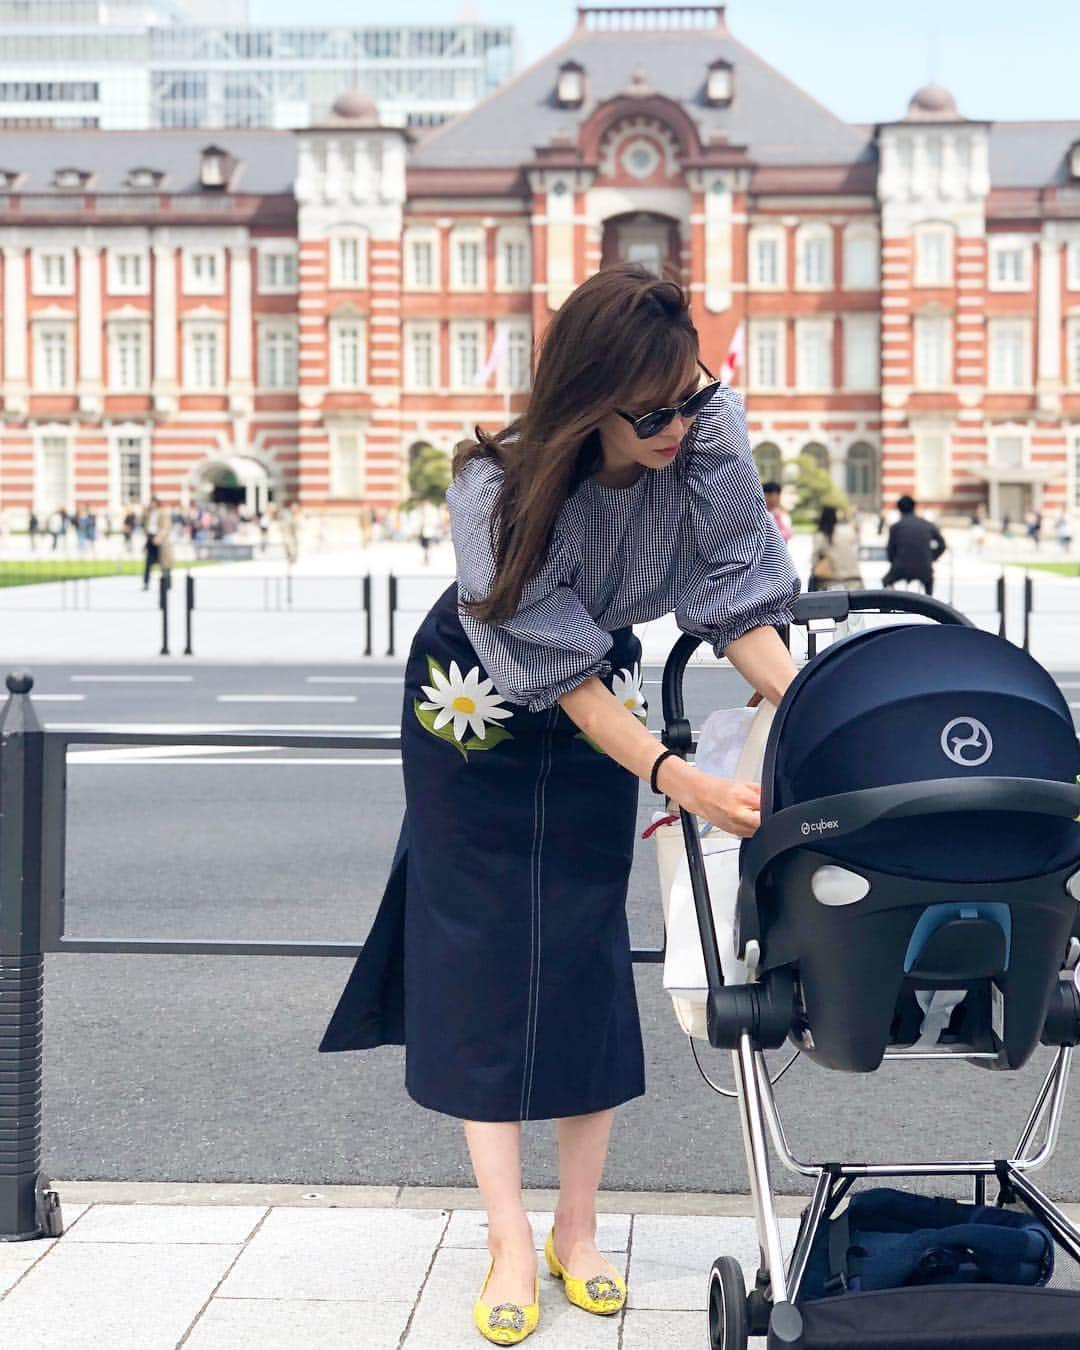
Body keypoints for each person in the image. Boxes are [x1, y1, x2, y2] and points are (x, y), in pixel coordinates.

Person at [317, 266, 799, 1346]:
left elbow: (737, 599)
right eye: (652, 410)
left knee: (582, 937)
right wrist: (676, 778)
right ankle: (504, 1236)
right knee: (481, 941)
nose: (678, 424)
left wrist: (828, 709)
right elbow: (564, 676)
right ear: (587, 397)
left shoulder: (707, 431)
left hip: (604, 682)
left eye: (692, 394)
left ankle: (578, 1229)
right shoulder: (494, 485)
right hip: (479, 684)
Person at [882, 494, 946, 595]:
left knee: (886, 581)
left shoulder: (896, 527)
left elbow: (890, 551)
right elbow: (942, 545)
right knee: (928, 581)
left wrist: (895, 562)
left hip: (901, 566)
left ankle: (889, 605)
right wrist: (931, 557)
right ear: (914, 507)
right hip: (924, 567)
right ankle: (929, 605)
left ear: (899, 509)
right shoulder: (927, 525)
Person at [809, 505, 863, 592]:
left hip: (830, 584)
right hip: (854, 581)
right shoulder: (848, 531)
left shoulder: (821, 536)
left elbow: (814, 562)